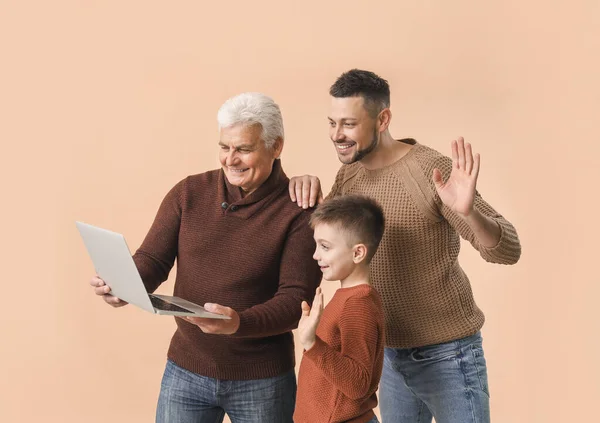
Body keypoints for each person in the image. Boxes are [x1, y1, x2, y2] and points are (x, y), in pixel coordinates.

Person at [289, 69, 521, 423]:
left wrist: (469, 213)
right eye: (332, 123)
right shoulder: (349, 176)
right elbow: (327, 242)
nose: (337, 135)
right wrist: (305, 188)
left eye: (349, 124)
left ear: (382, 119)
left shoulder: (431, 170)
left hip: (448, 356)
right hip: (388, 358)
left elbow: (506, 249)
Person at [89, 92, 322, 423]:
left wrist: (237, 322)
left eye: (243, 149)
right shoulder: (188, 192)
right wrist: (123, 285)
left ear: (276, 146)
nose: (230, 159)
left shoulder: (298, 211)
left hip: (263, 381)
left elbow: (295, 301)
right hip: (185, 370)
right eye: (224, 147)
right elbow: (153, 260)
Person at [294, 194, 386, 423]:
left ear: (357, 253)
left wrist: (311, 343)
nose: (316, 255)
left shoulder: (358, 304)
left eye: (325, 247)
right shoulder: (348, 297)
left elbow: (357, 385)